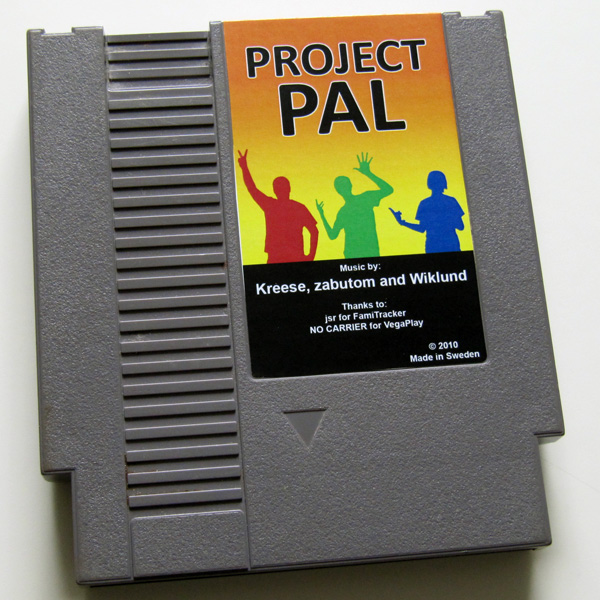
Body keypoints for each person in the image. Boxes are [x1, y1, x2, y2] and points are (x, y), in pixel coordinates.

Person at [237, 150, 319, 264]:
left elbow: (252, 189)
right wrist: (310, 256)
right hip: (280, 257)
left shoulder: (272, 205)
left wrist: (244, 167)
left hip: (288, 257)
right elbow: (314, 231)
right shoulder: (296, 207)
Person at [316, 153, 393, 259]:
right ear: (350, 185)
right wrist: (368, 173)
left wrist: (322, 215)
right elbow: (332, 235)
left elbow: (332, 235)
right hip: (362, 252)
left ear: (338, 191)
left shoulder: (348, 209)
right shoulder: (363, 199)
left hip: (362, 252)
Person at [389, 171, 464, 253]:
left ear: (429, 184)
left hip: (433, 245)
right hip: (451, 244)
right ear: (444, 183)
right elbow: (460, 226)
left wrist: (403, 223)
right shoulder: (451, 201)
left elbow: (421, 228)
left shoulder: (425, 203)